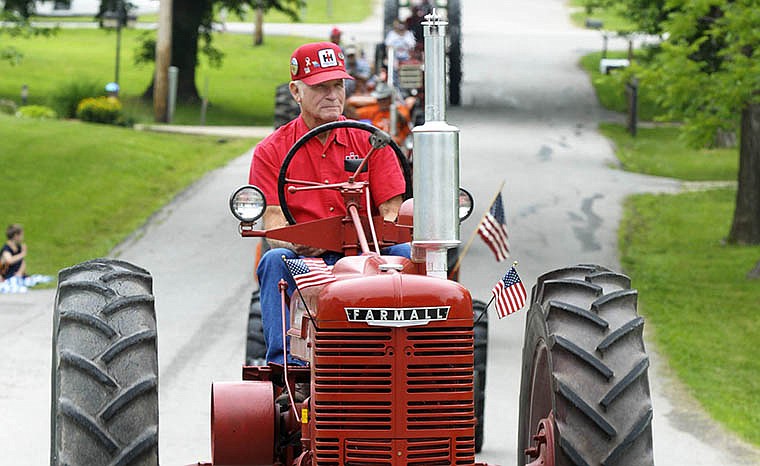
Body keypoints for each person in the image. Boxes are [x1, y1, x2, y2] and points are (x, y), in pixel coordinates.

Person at [248, 41, 410, 365]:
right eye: (321, 87)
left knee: (407, 255)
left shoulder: (372, 141)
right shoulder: (271, 151)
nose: (333, 95)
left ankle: (411, 358)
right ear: (296, 92)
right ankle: (286, 371)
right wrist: (304, 242)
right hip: (308, 258)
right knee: (274, 260)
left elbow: (392, 212)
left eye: (338, 85)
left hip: (368, 252)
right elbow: (275, 225)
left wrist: (372, 248)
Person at [345, 81, 414, 148]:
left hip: (397, 146)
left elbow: (404, 118)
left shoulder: (400, 109)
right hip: (378, 145)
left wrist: (392, 106)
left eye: (383, 99)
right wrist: (373, 101)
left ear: (390, 98)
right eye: (379, 99)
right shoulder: (375, 109)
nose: (381, 102)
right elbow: (350, 105)